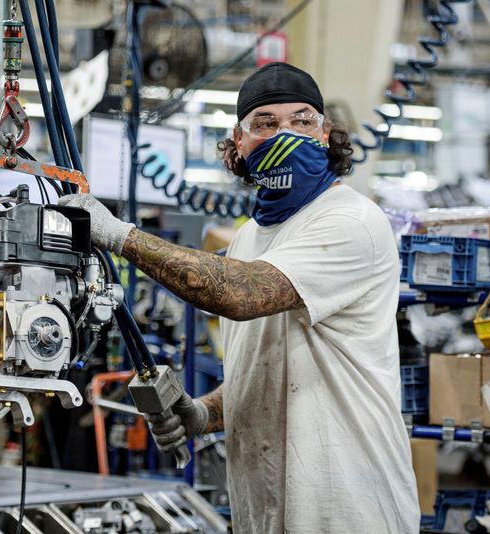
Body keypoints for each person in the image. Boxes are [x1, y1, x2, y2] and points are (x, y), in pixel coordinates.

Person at [59, 62, 419, 533]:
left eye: (302, 120)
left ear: (327, 134)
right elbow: (263, 367)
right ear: (239, 144)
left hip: (349, 507)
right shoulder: (249, 238)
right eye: (265, 123)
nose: (285, 134)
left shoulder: (351, 221)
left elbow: (237, 292)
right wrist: (202, 412)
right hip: (264, 509)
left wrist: (118, 234)